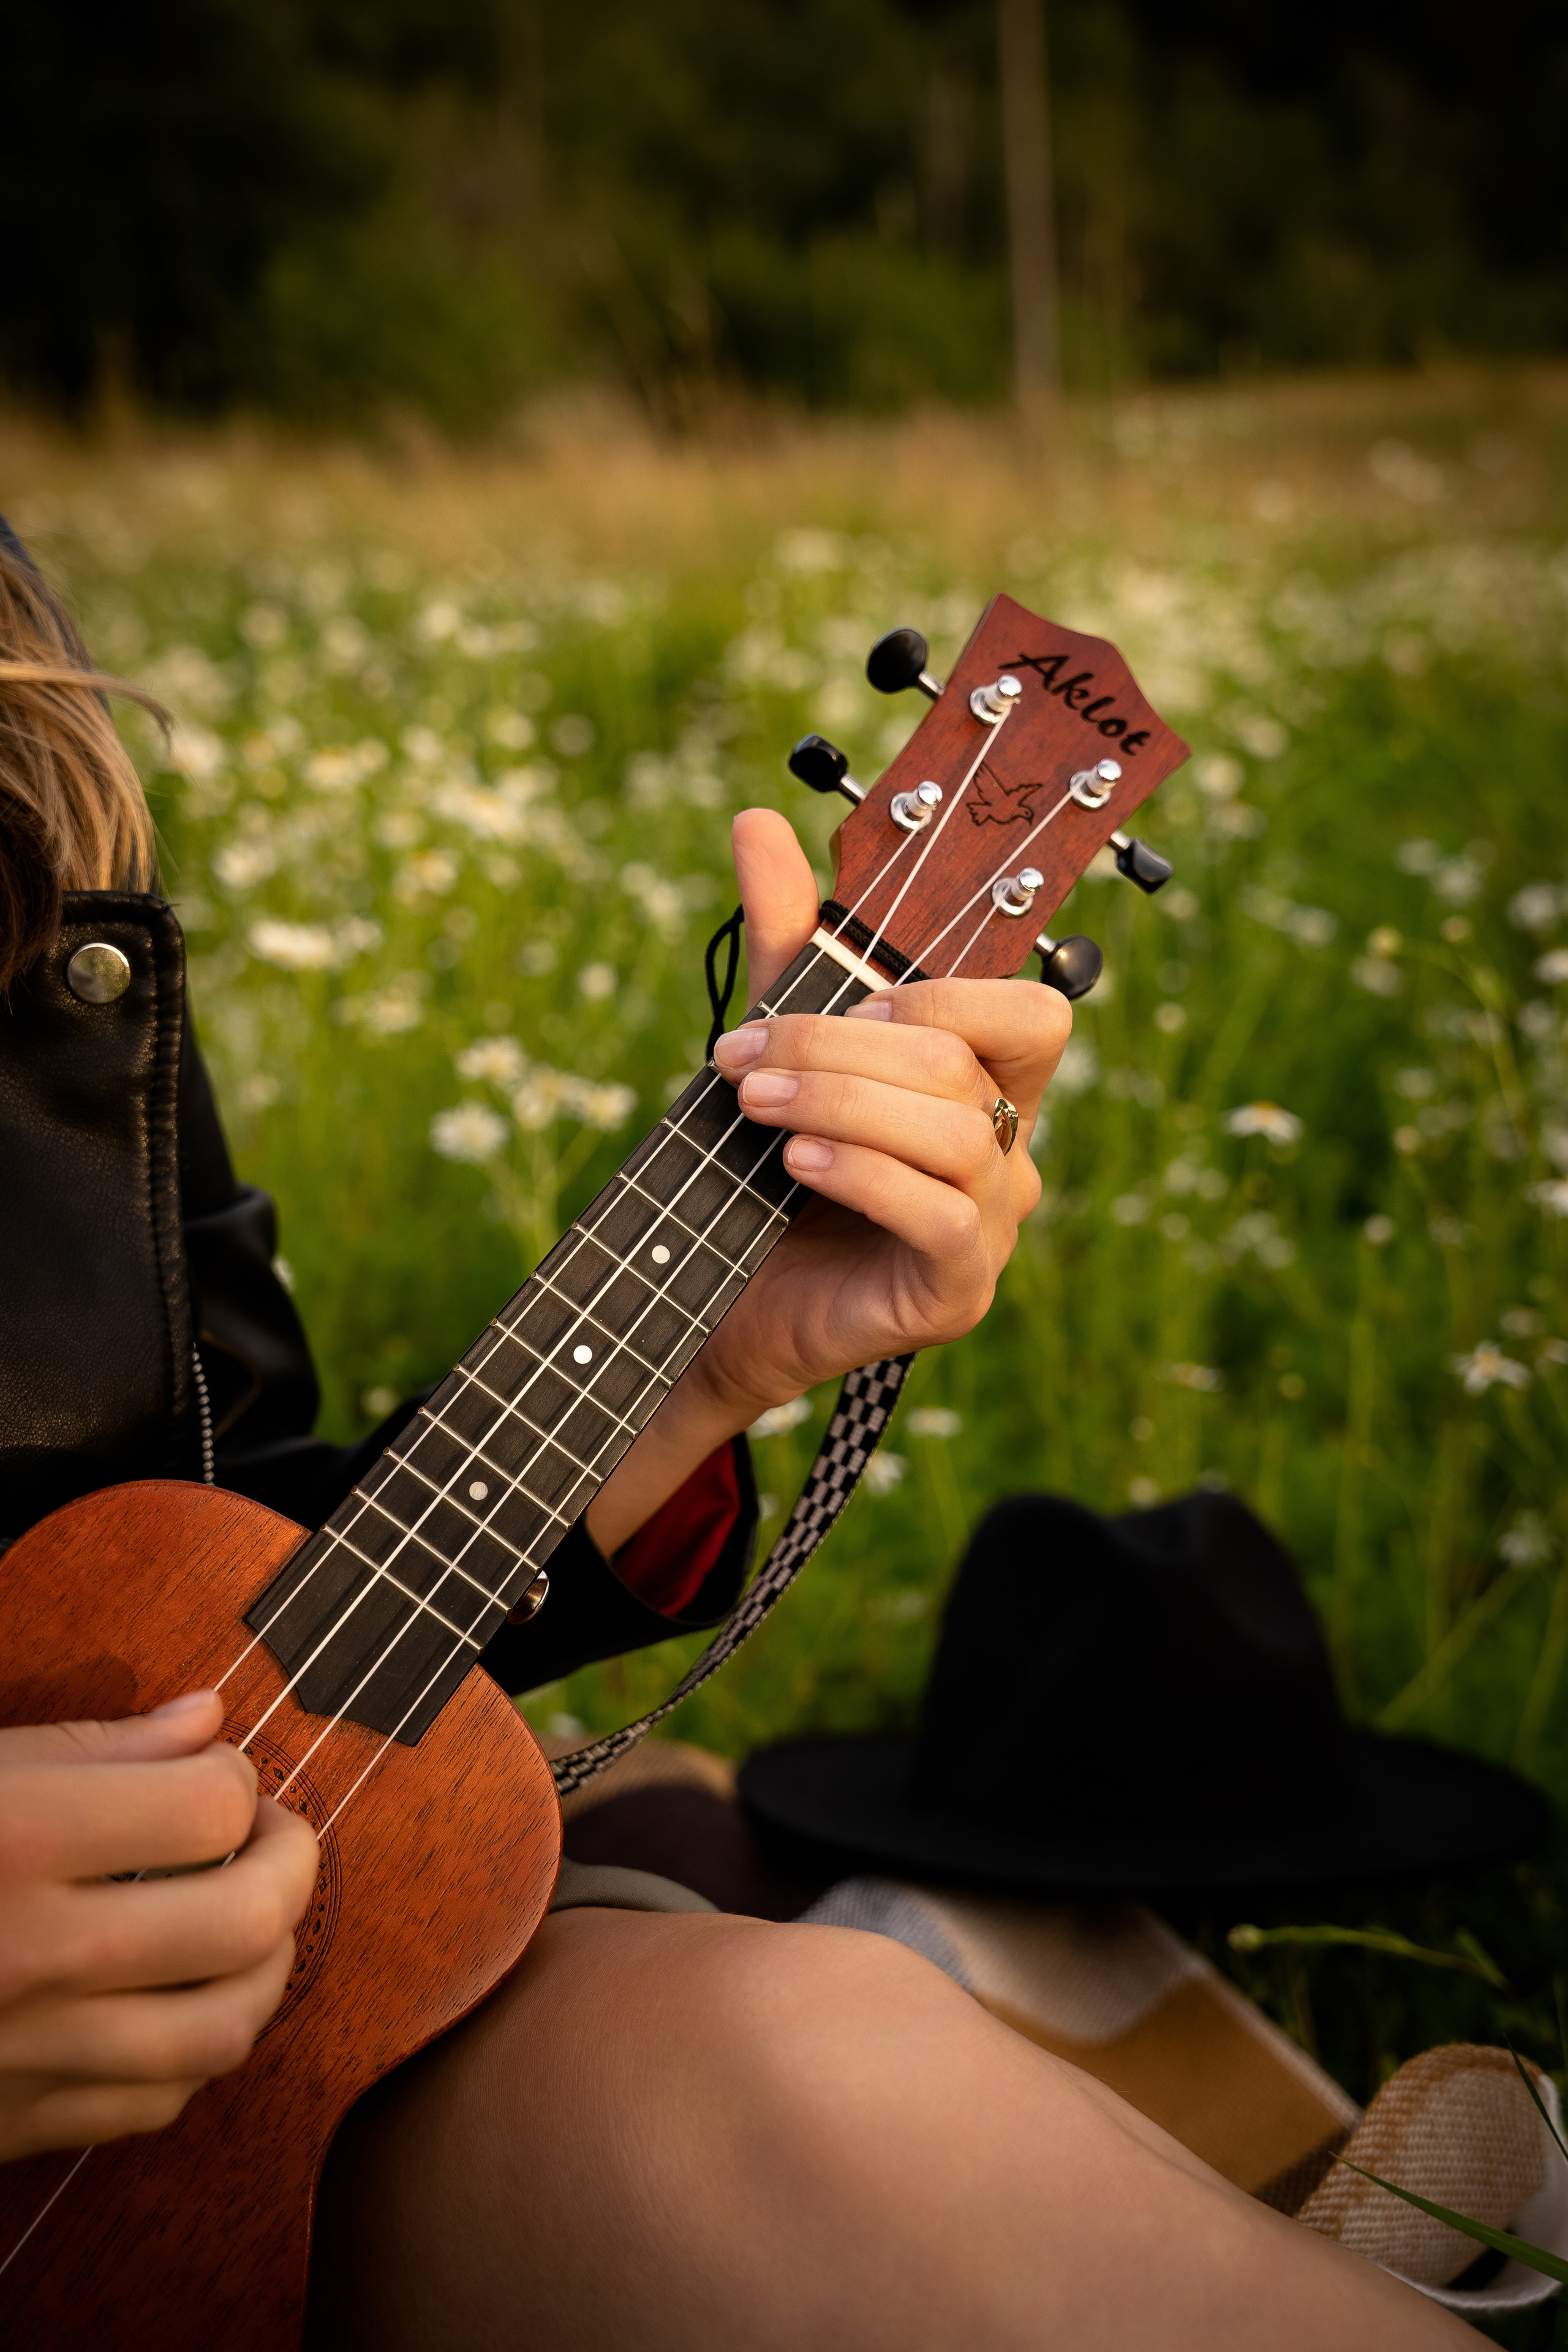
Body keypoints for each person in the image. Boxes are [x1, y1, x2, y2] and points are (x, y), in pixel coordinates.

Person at [0, 529, 1469, 2350]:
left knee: (825, 2061)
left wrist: (702, 1363)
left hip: (220, 2066)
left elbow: (209, 1574)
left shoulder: (26, 744)